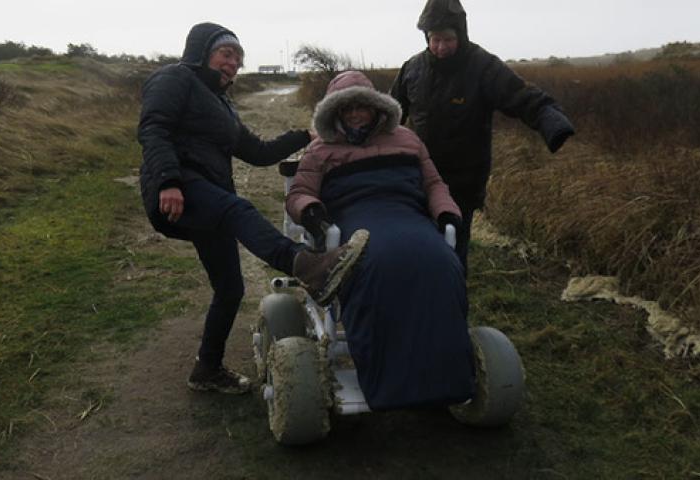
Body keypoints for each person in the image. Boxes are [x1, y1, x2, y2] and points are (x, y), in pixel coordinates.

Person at [137, 23, 369, 395]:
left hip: (210, 197)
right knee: (238, 210)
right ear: (202, 52)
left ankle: (206, 369)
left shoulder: (221, 105)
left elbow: (258, 152)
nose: (233, 63)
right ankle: (306, 265)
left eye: (238, 59)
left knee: (230, 288)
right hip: (181, 183)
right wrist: (168, 180)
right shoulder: (174, 78)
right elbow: (153, 127)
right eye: (226, 54)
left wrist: (304, 136)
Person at [286, 71, 476, 410]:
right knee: (374, 266)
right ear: (335, 112)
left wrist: (447, 213)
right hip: (354, 221)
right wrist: (311, 212)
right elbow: (300, 191)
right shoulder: (320, 149)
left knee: (443, 264)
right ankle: (388, 384)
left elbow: (434, 185)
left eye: (362, 106)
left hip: (408, 215)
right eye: (347, 108)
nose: (356, 114)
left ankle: (449, 378)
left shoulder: (407, 139)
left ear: (376, 108)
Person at [390, 0, 576, 273]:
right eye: (435, 40)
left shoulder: (483, 66)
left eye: (448, 39)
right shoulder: (412, 69)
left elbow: (521, 96)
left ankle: (454, 295)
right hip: (420, 176)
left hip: (464, 180)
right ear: (426, 38)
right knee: (421, 243)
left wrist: (552, 121)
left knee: (454, 246)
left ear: (461, 35)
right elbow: (390, 113)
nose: (441, 47)